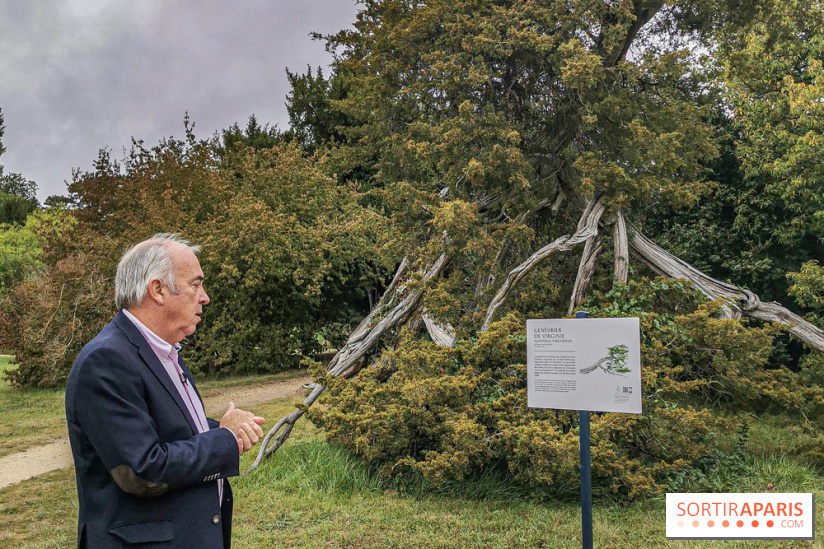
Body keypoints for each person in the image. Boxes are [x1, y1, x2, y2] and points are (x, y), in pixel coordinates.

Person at [65, 233, 265, 548]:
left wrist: (225, 429)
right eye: (196, 284)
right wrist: (223, 438)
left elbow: (166, 428)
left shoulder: (163, 350)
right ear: (158, 290)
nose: (205, 297)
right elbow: (143, 471)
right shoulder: (106, 360)